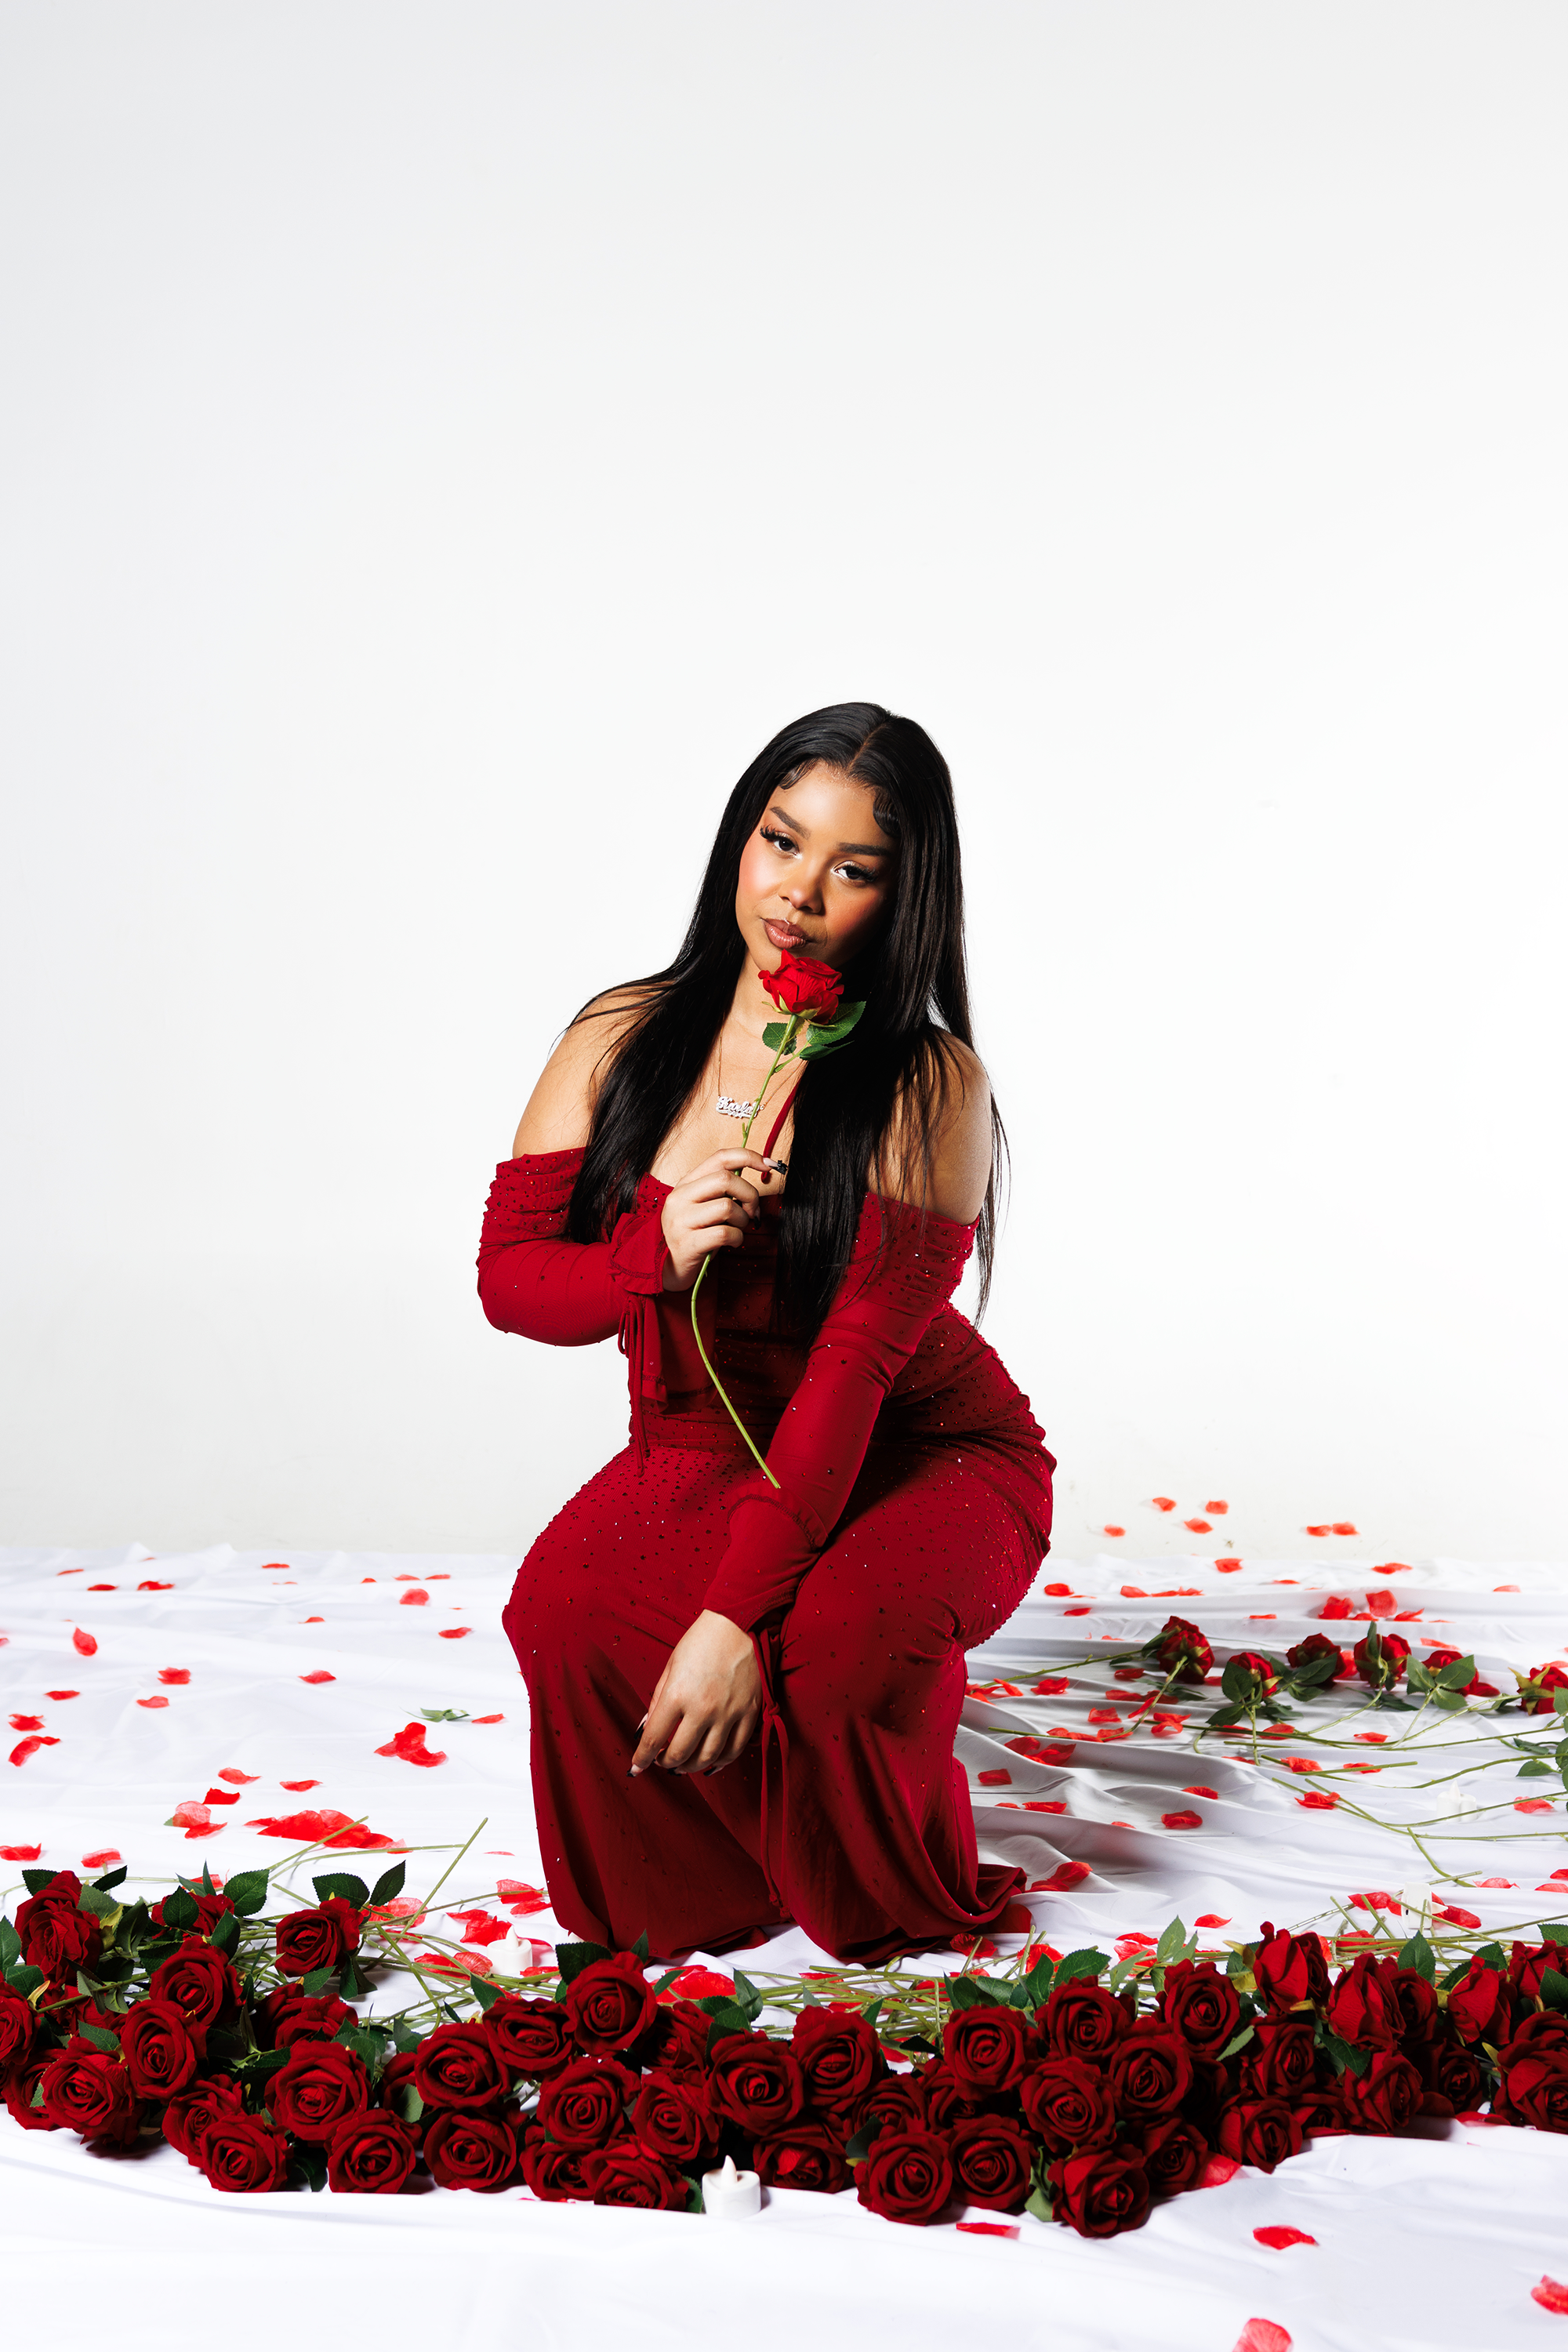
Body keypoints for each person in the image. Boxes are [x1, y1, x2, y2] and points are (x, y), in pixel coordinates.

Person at [477, 703, 1054, 1964]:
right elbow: (512, 1284)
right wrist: (646, 1258)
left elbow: (852, 1373)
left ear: (906, 895)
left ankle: (873, 1881)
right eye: (781, 841)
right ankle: (711, 1885)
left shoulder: (928, 1084)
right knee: (563, 1609)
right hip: (707, 1436)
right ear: (740, 837)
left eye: (854, 869)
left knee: (829, 1653)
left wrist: (732, 1620)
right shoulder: (622, 1034)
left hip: (922, 1444)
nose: (798, 891)